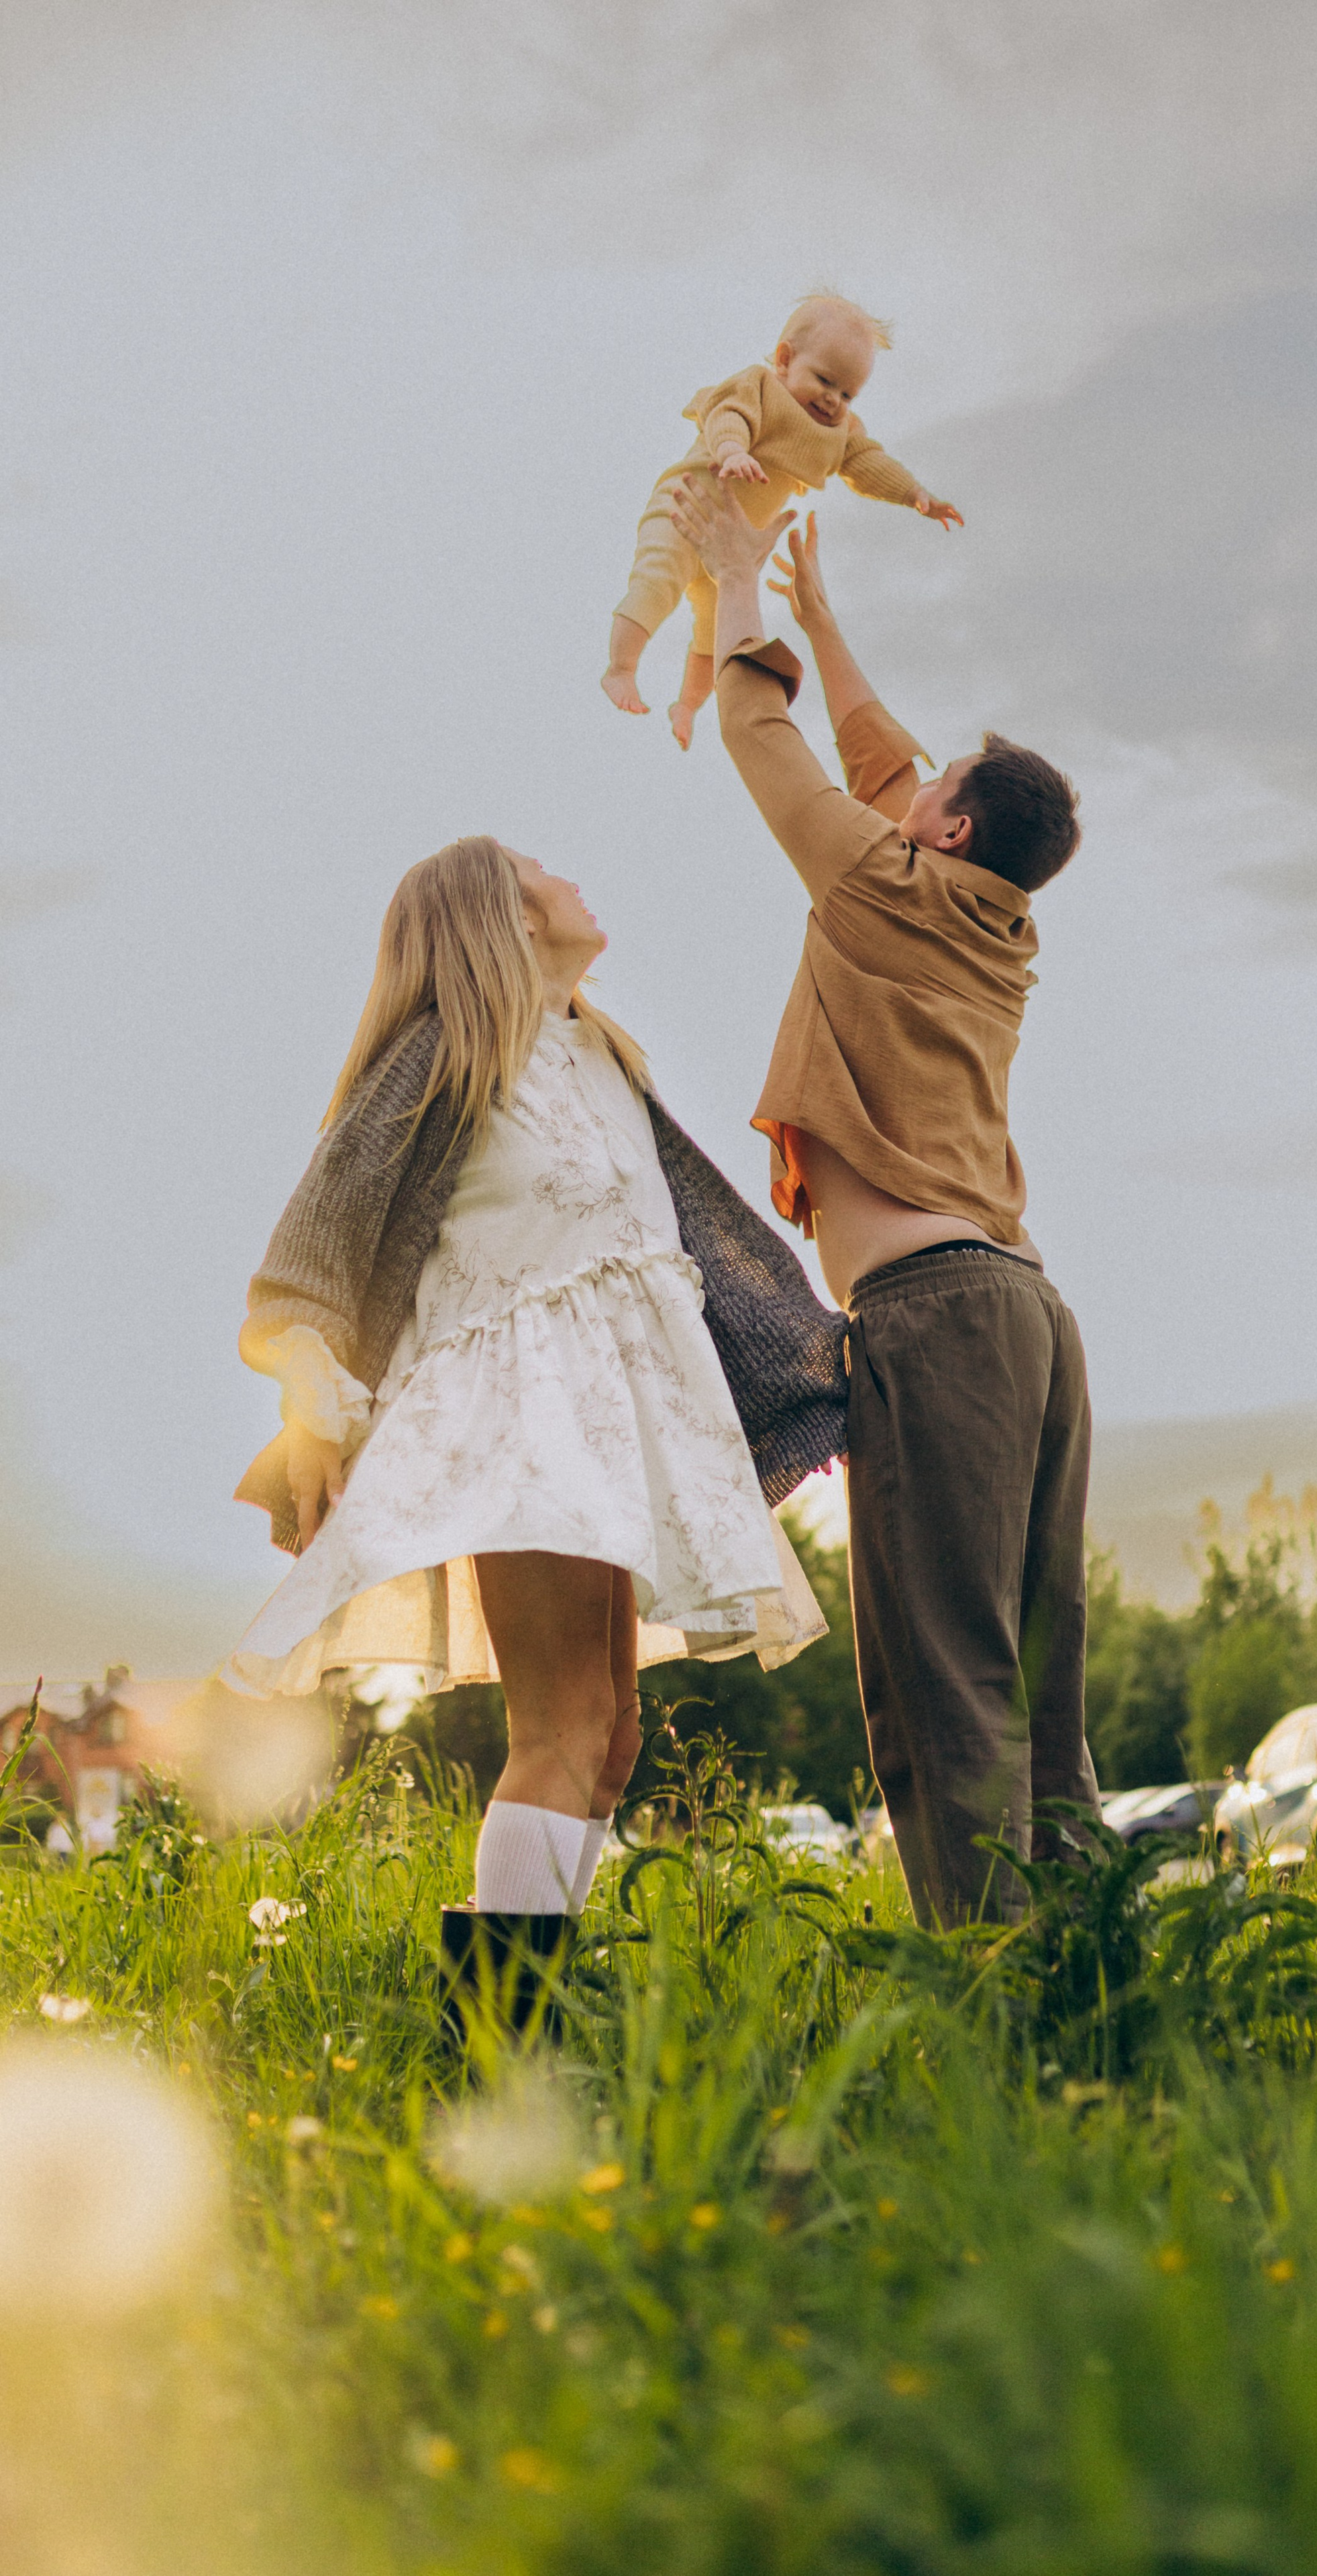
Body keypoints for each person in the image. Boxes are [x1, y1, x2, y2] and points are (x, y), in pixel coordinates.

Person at [227, 835, 843, 1919]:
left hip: (618, 1426)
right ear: (504, 917)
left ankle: (535, 1976)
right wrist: (313, 1397)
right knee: (558, 1727)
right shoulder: (448, 1054)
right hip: (518, 1419)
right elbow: (312, 1250)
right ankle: (502, 2029)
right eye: (541, 872)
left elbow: (706, 1260)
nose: (573, 877)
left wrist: (814, 1366)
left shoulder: (602, 1061)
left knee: (610, 1737)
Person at [667, 480, 1102, 1928]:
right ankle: (1080, 1978)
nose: (894, 793)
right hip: (1030, 1319)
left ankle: (991, 1995)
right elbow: (887, 758)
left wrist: (736, 587)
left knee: (943, 1678)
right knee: (1038, 1683)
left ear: (946, 826)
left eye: (919, 800)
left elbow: (760, 733)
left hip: (931, 1324)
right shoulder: (997, 920)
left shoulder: (877, 888)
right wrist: (831, 616)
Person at [601, 293, 961, 749]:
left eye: (848, 393)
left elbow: (868, 463)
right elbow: (728, 416)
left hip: (730, 551)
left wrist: (914, 494)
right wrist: (732, 450)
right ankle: (621, 668)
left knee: (717, 631)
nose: (833, 400)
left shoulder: (841, 432)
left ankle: (688, 704)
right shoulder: (759, 387)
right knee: (657, 581)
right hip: (682, 508)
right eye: (825, 380)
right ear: (787, 359)